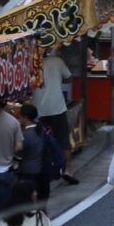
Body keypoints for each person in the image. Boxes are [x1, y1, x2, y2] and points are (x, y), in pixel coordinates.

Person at [32, 44, 77, 185]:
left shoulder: (31, 65)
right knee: (63, 139)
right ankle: (68, 170)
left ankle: (42, 169)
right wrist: (57, 78)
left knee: (40, 140)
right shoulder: (57, 61)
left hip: (39, 109)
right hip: (58, 106)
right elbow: (69, 78)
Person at [17, 104, 50, 203]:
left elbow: (19, 151)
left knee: (29, 201)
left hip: (28, 171)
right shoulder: (41, 130)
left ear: (25, 117)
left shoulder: (26, 135)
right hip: (42, 170)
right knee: (41, 200)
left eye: (20, 116)